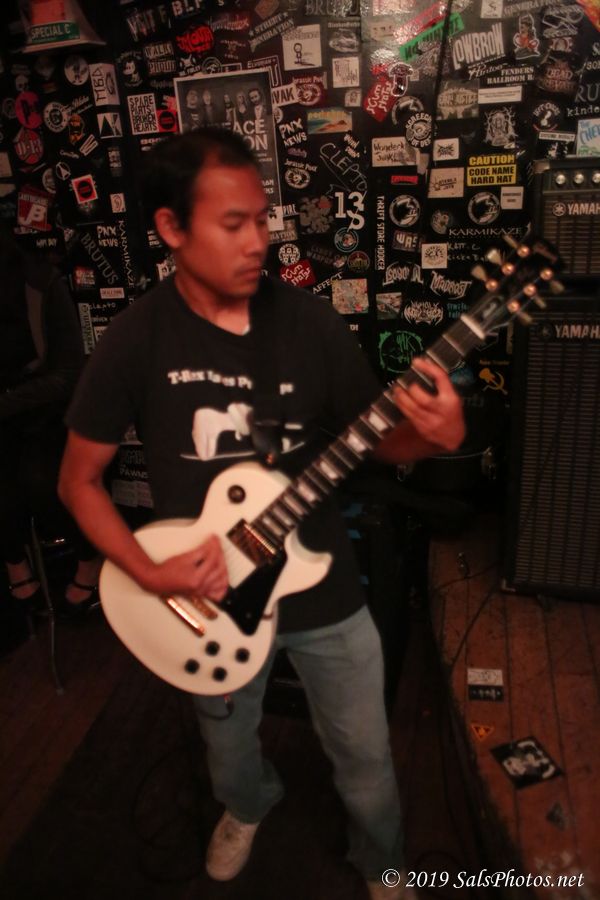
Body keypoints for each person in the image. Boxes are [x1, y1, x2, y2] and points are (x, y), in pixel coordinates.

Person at [58, 129, 465, 899]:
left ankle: (383, 861)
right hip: (204, 597)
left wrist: (430, 437)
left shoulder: (310, 323)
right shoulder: (135, 338)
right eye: (232, 223)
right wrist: (149, 570)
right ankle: (249, 806)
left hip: (321, 586)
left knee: (366, 752)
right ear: (172, 228)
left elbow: (374, 442)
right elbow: (78, 481)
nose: (258, 241)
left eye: (262, 219)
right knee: (228, 749)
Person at [0, 227, 101, 616]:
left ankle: (90, 559)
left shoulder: (41, 283)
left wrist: (9, 401)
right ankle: (15, 560)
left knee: (43, 482)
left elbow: (68, 375)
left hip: (47, 411)